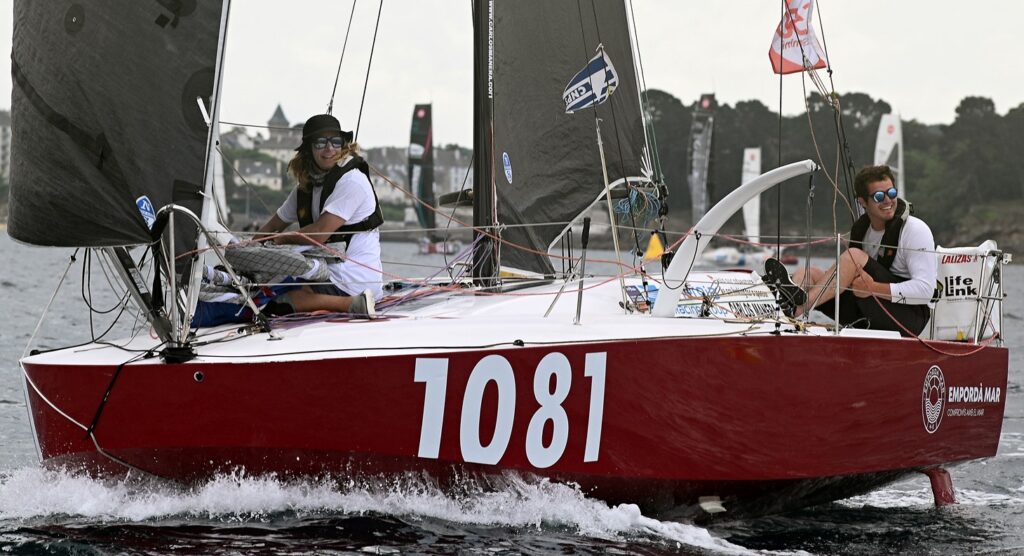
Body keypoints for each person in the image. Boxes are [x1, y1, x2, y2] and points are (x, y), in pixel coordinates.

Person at [256, 114, 384, 317]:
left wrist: (279, 239)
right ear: (308, 149)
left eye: (335, 142)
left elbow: (318, 234)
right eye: (320, 142)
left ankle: (353, 304)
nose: (329, 148)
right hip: (326, 271)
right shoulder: (305, 188)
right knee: (258, 288)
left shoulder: (352, 181)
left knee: (275, 301)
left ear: (343, 146)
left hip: (354, 280)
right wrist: (247, 248)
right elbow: (272, 226)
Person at [789, 165, 936, 336]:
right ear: (863, 202)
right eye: (879, 196)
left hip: (909, 317)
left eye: (892, 193)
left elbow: (926, 291)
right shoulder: (863, 230)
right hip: (866, 308)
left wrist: (873, 288)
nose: (888, 200)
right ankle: (786, 306)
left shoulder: (915, 230)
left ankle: (798, 309)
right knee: (809, 273)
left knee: (854, 257)